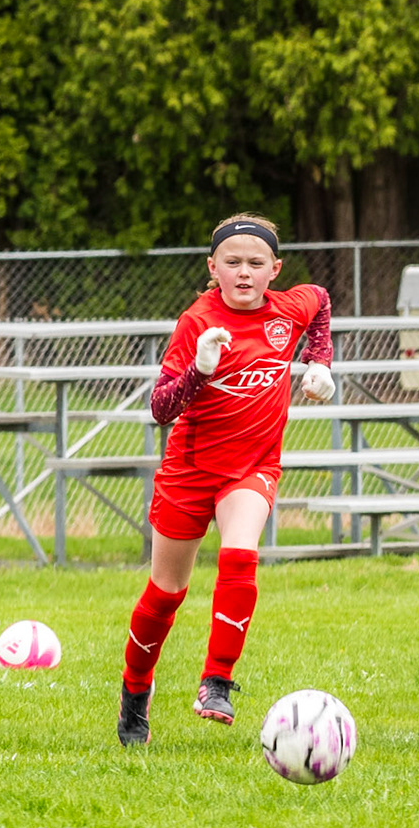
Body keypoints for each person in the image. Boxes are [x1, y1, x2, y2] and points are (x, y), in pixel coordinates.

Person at [116, 214, 336, 747]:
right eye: (232, 263)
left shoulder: (290, 307)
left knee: (241, 553)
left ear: (274, 269)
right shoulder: (197, 320)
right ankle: (134, 693)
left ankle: (216, 681)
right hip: (188, 475)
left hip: (252, 467)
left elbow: (322, 301)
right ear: (212, 268)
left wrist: (319, 362)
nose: (244, 272)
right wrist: (200, 369)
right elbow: (160, 408)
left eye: (256, 264)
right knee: (165, 595)